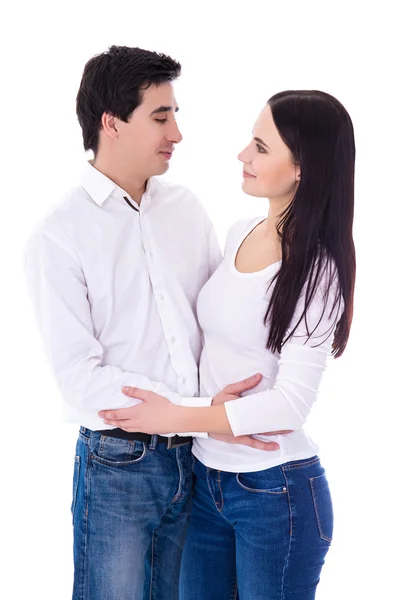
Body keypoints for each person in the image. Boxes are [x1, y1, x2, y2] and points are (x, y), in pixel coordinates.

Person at [23, 45, 278, 600]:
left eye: (176, 115)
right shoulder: (58, 234)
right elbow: (79, 375)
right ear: (111, 124)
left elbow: (217, 325)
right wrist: (192, 413)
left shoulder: (186, 208)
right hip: (120, 464)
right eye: (161, 116)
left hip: (204, 458)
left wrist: (216, 413)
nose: (177, 133)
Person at [101, 90, 356, 599]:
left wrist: (178, 417)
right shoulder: (241, 231)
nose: (243, 155)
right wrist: (206, 416)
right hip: (205, 482)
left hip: (274, 491)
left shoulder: (316, 268)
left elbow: (292, 403)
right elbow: (205, 350)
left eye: (261, 147)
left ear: (303, 167)